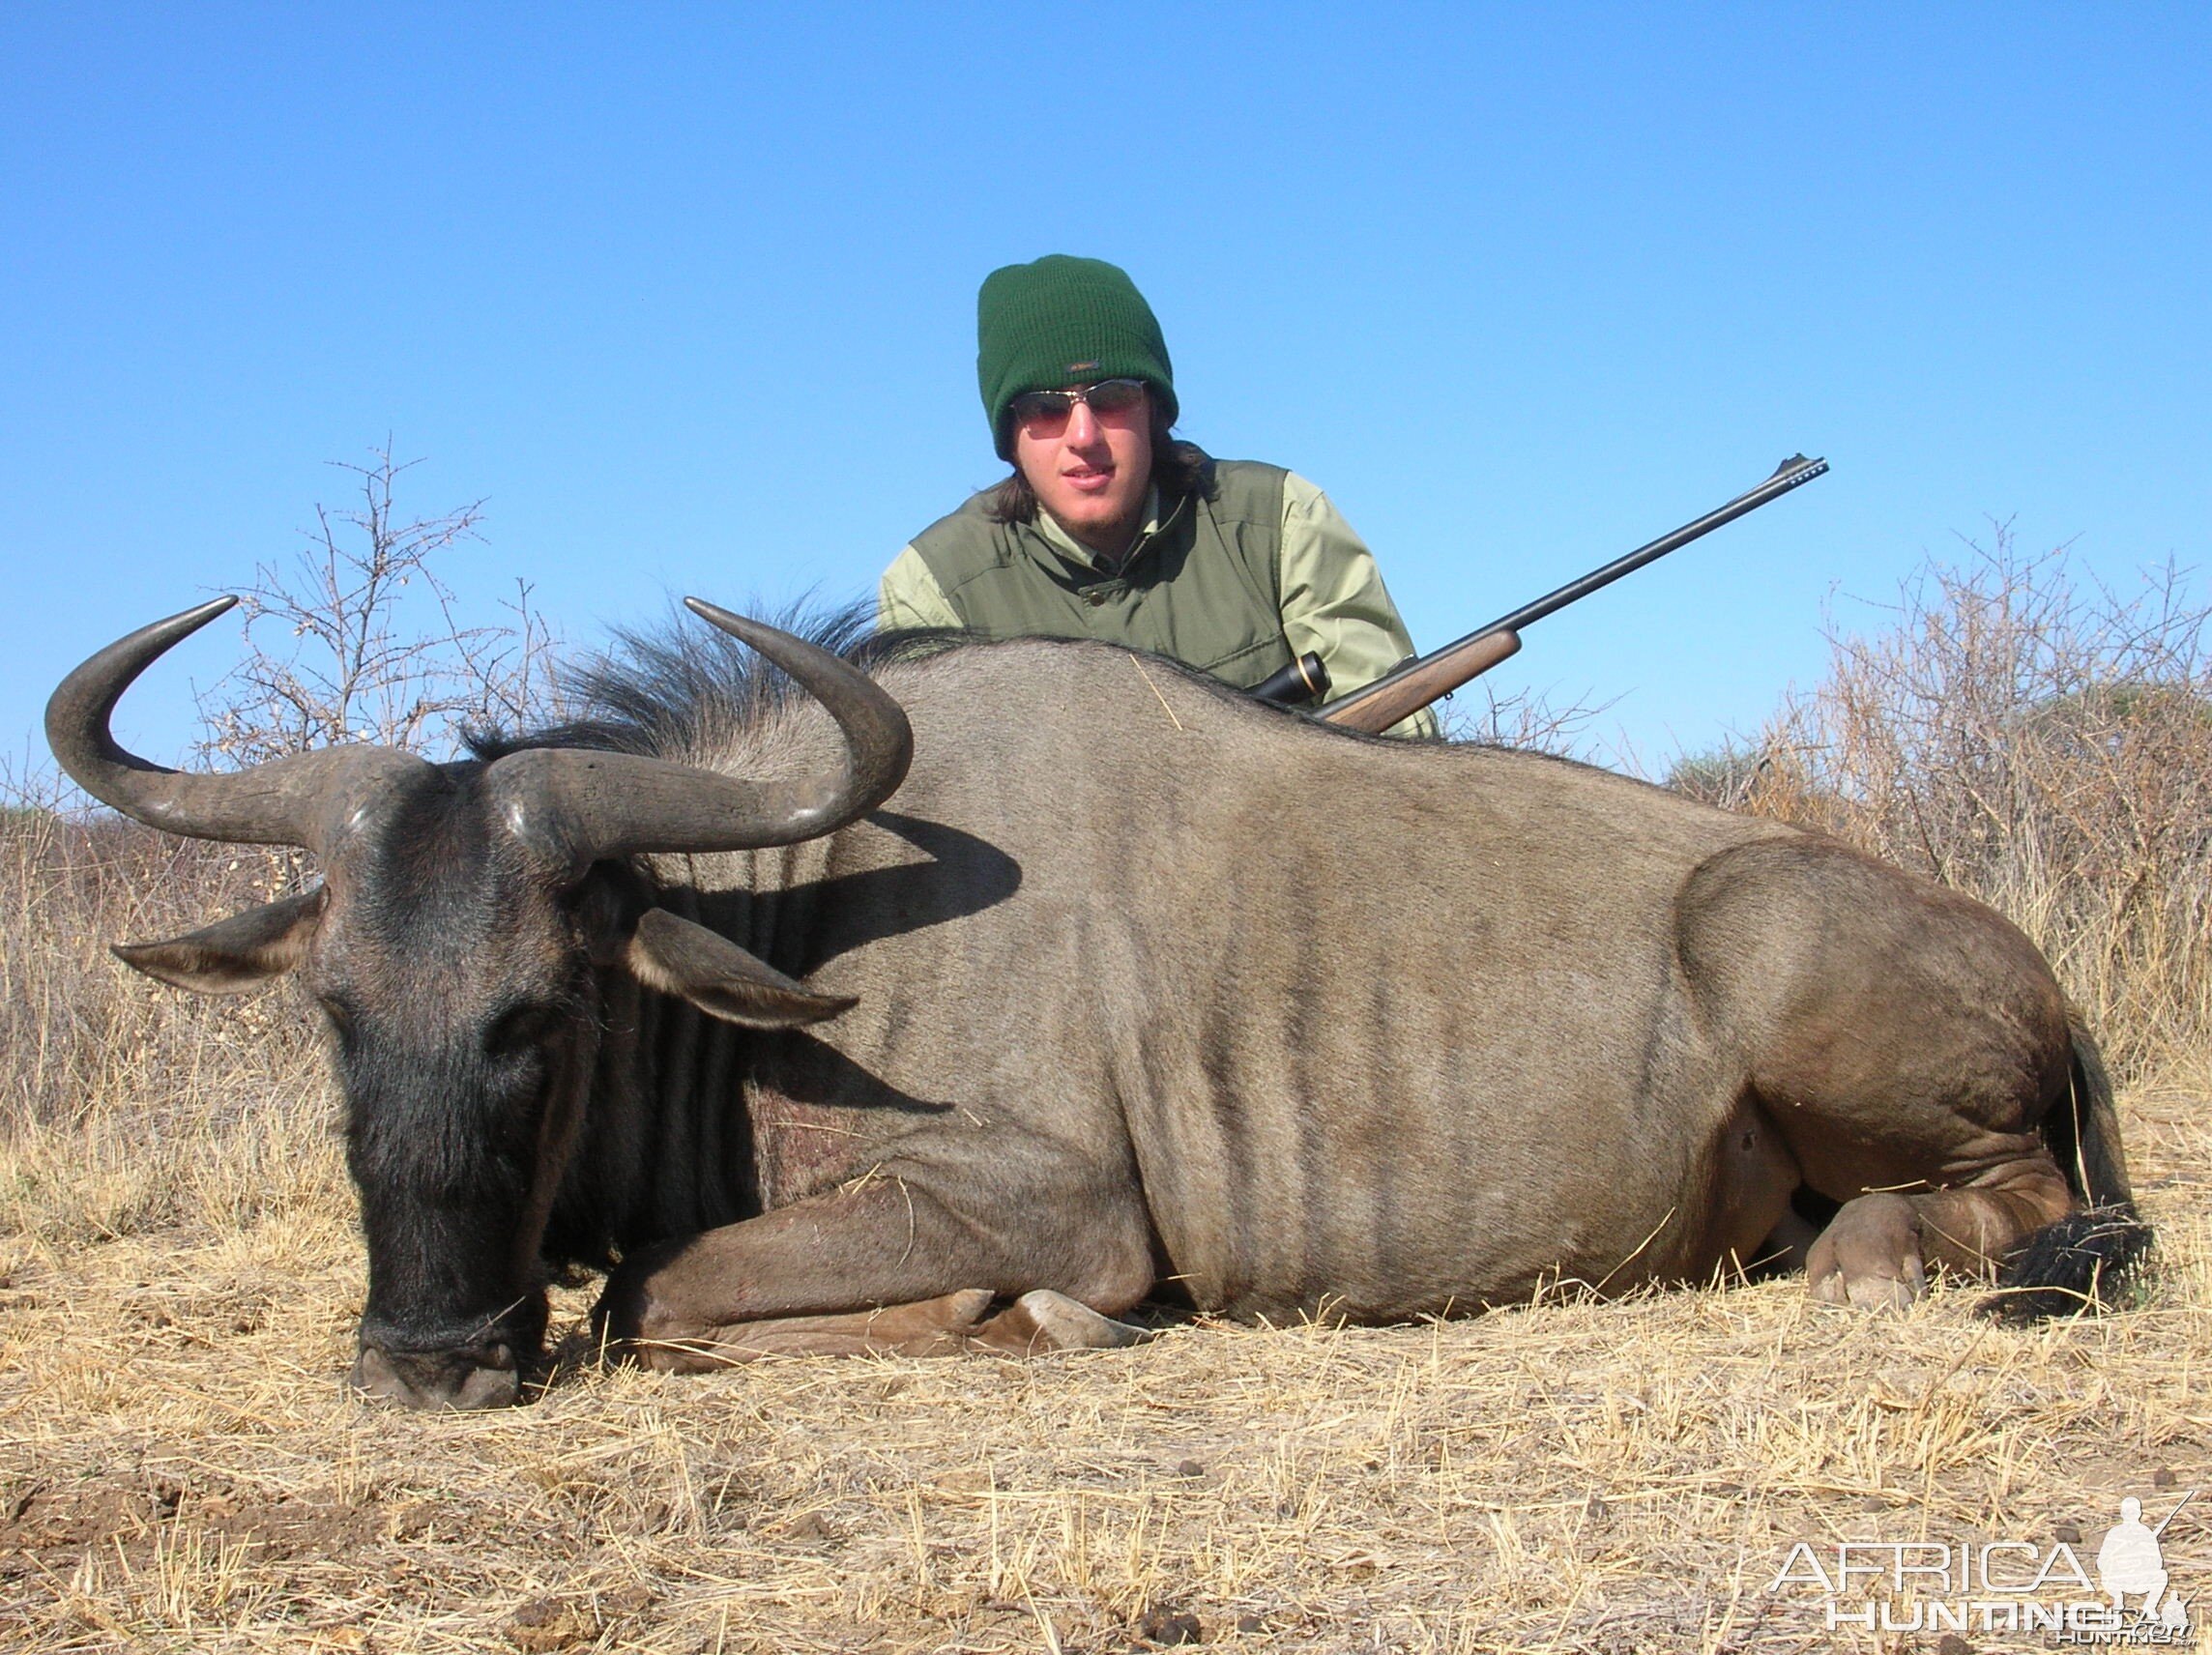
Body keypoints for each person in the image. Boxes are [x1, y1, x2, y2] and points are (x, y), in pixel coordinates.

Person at [878, 254, 1438, 738]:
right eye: (1043, 408)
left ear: (1155, 410)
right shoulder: (931, 587)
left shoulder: (1283, 517)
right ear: (1011, 435)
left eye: (1112, 396)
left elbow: (1401, 752)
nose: (1083, 436)